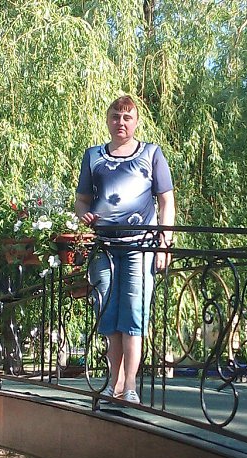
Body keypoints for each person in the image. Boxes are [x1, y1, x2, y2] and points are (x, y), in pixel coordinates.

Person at [75, 95, 175, 404]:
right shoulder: (93, 156)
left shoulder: (152, 154)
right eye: (116, 116)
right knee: (107, 314)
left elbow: (167, 201)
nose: (121, 122)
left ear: (136, 122)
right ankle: (113, 382)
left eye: (127, 117)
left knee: (133, 315)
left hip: (139, 248)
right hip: (103, 249)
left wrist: (164, 244)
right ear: (108, 120)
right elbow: (81, 201)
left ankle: (130, 386)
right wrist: (84, 216)